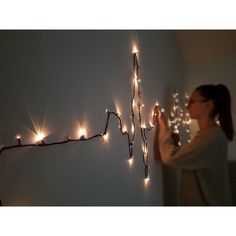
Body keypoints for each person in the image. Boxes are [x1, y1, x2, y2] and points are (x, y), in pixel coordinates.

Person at [154, 84, 235, 206]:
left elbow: (170, 158)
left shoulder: (211, 138)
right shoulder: (211, 134)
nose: (187, 106)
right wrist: (174, 144)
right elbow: (194, 159)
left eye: (192, 101)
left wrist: (163, 127)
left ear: (209, 104)